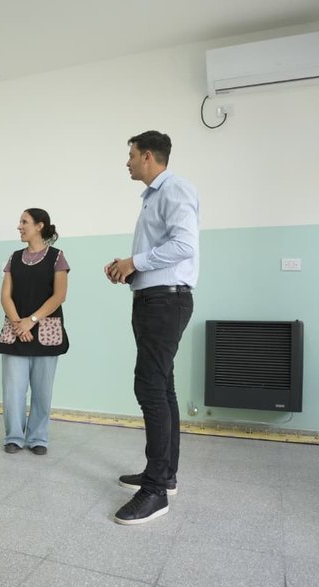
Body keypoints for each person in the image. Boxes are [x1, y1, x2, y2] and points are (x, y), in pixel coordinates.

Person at [105, 130, 199, 525]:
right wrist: (128, 268)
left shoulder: (174, 189)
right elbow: (161, 253)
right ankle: (164, 474)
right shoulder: (153, 197)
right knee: (162, 386)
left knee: (148, 386)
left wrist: (136, 263)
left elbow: (184, 245)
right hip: (154, 299)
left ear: (148, 156)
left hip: (165, 301)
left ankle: (156, 490)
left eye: (130, 155)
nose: (126, 162)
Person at [0, 208, 69, 455]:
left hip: (46, 332)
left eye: (24, 222)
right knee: (13, 391)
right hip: (16, 330)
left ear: (40, 226)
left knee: (42, 391)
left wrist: (33, 320)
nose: (19, 226)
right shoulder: (14, 258)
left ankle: (38, 438)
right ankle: (14, 436)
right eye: (19, 222)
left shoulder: (57, 257)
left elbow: (59, 295)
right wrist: (19, 323)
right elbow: (5, 295)